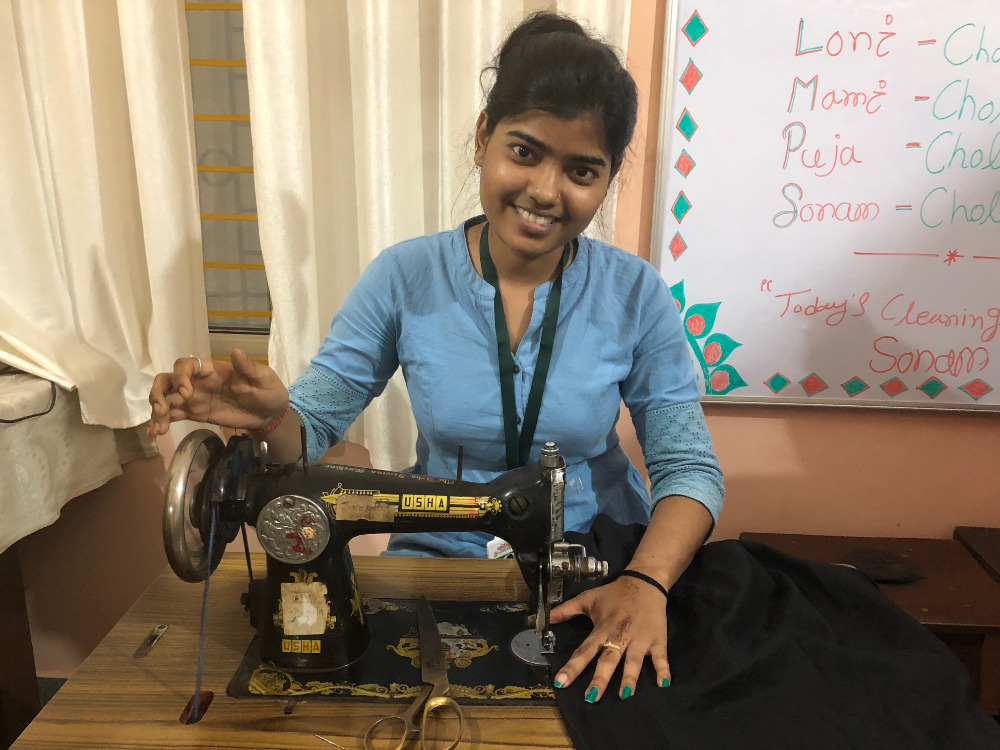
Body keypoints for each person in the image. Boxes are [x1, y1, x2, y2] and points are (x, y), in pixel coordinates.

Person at [148, 11, 723, 705]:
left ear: (607, 179)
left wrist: (647, 580)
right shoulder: (404, 277)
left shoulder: (636, 294)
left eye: (581, 170)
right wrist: (272, 418)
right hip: (435, 559)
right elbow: (311, 428)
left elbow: (689, 468)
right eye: (525, 151)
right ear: (484, 138)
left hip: (599, 562)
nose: (546, 190)